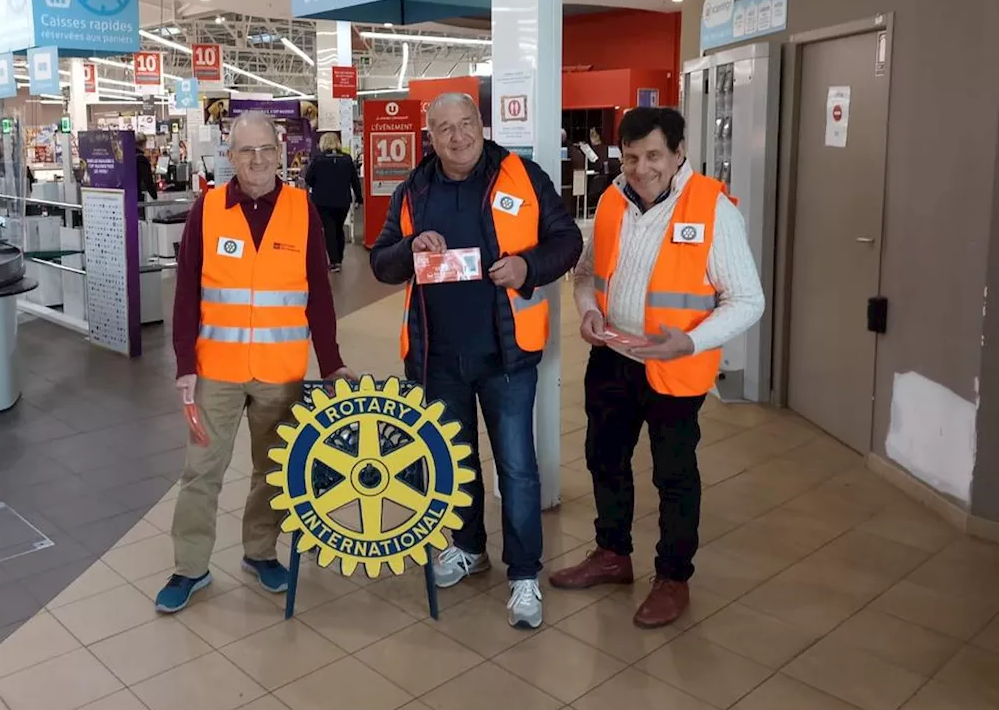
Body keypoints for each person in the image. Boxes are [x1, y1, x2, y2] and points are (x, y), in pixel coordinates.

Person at [370, 92, 582, 628]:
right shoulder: (414, 189)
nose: (457, 136)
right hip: (436, 358)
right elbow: (382, 262)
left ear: (481, 125)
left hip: (507, 356)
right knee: (455, 462)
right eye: (444, 128)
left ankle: (525, 575)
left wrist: (528, 267)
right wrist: (411, 248)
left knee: (516, 468)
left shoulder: (522, 176)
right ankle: (467, 547)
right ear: (430, 136)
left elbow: (568, 239)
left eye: (466, 124)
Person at [551, 107, 764, 628]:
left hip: (673, 368)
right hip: (612, 358)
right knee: (604, 458)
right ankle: (612, 553)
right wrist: (590, 311)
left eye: (653, 156)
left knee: (673, 474)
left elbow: (748, 300)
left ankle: (672, 578)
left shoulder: (714, 209)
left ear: (678, 153)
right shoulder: (609, 202)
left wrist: (688, 342)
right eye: (630, 157)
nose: (641, 168)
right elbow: (585, 275)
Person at [158, 112, 353, 613]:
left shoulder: (300, 208)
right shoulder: (208, 209)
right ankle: (190, 567)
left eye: (266, 149)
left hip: (280, 371)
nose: (259, 159)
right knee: (202, 470)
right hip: (216, 370)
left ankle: (260, 552)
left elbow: (318, 294)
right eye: (247, 151)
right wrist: (185, 361)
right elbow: (187, 293)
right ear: (231, 157)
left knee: (273, 470)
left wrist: (330, 363)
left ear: (281, 152)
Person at [304, 132, 363, 272]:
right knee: (338, 228)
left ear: (323, 143)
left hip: (322, 201)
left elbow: (308, 179)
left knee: (328, 229)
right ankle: (339, 259)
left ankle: (334, 261)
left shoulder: (318, 159)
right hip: (343, 201)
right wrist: (359, 198)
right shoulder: (347, 159)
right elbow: (354, 181)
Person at [135, 134, 158, 202]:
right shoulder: (141, 159)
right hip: (138, 195)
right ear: (144, 143)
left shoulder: (129, 157)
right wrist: (154, 196)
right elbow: (147, 180)